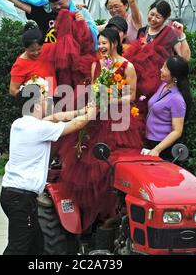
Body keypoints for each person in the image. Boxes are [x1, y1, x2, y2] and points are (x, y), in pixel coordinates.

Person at [58, 28, 144, 231]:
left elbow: (131, 96)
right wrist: (93, 104)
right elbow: (94, 91)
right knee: (87, 165)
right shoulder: (96, 65)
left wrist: (111, 100)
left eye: (105, 43)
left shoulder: (126, 66)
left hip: (118, 122)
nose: (101, 47)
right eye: (99, 43)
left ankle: (113, 215)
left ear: (115, 43)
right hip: (96, 118)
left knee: (111, 166)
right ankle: (91, 216)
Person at [0, 84, 97, 255]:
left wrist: (80, 110)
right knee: (18, 247)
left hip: (13, 195)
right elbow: (76, 125)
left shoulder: (21, 124)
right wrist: (92, 112)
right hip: (21, 198)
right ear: (37, 105)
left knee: (36, 246)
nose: (48, 103)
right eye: (45, 100)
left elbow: (55, 117)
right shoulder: (38, 128)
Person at [124, 0, 191, 114]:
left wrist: (182, 36)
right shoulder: (142, 31)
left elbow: (184, 58)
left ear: (165, 19)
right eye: (152, 14)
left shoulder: (170, 32)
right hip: (140, 81)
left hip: (160, 81)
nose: (153, 19)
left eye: (158, 17)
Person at [0, 0, 98, 48]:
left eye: (60, 3)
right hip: (49, 61)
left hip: (73, 63)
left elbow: (94, 34)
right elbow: (23, 5)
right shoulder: (44, 12)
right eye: (54, 4)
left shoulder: (80, 13)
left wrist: (82, 23)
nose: (57, 7)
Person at [143, 56, 192, 160]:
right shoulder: (164, 86)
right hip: (149, 141)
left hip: (162, 147)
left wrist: (157, 149)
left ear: (174, 76)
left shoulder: (177, 99)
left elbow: (177, 131)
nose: (161, 69)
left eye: (165, 68)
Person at [9, 21, 57, 98]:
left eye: (39, 49)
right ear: (25, 48)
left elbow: (67, 45)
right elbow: (13, 90)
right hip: (37, 103)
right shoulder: (20, 64)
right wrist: (30, 93)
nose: (36, 53)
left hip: (55, 97)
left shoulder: (48, 49)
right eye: (32, 50)